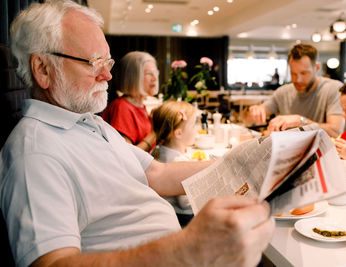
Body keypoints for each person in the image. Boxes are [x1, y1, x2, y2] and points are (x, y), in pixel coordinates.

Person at [0, 1, 275, 266]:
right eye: (93, 63)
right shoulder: (35, 154)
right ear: (43, 69)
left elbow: (157, 174)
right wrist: (186, 251)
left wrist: (243, 162)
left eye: (107, 62)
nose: (107, 76)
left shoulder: (88, 122)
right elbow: (52, 263)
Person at [243, 43, 345, 137]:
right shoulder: (283, 92)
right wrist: (253, 111)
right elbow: (248, 121)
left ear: (317, 67)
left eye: (304, 73)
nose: (298, 80)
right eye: (293, 74)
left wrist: (301, 121)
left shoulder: (333, 89)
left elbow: (335, 131)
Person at [152, 100, 197, 227]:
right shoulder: (178, 162)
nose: (196, 130)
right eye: (193, 126)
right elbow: (185, 203)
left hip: (165, 212)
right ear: (178, 133)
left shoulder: (157, 150)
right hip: (182, 217)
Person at [101, 51, 158, 152]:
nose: (155, 79)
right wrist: (154, 133)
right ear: (133, 77)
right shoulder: (122, 107)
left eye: (156, 73)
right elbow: (127, 156)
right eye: (149, 74)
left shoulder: (140, 105)